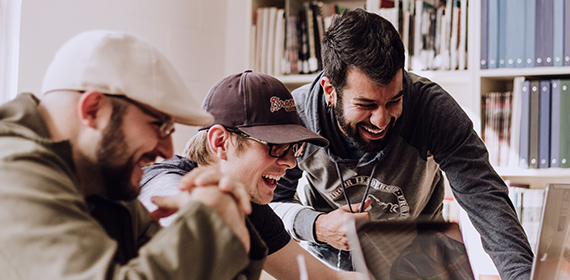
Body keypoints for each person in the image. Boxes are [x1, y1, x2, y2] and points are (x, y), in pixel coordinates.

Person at [270, 8, 534, 280]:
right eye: (366, 105)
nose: (381, 120)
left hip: (419, 259)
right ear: (330, 91)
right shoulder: (295, 118)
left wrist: (521, 275)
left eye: (394, 101)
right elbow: (270, 203)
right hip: (329, 264)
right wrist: (316, 226)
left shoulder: (432, 109)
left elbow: (486, 198)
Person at [0, 30, 268, 279]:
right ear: (93, 109)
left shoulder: (104, 180)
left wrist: (229, 222)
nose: (168, 151)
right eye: (160, 126)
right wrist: (211, 223)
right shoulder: (11, 171)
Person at [139, 70, 359, 280]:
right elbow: (179, 211)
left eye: (295, 148)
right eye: (276, 146)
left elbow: (326, 277)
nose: (291, 162)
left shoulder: (253, 209)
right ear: (220, 143)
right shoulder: (161, 181)